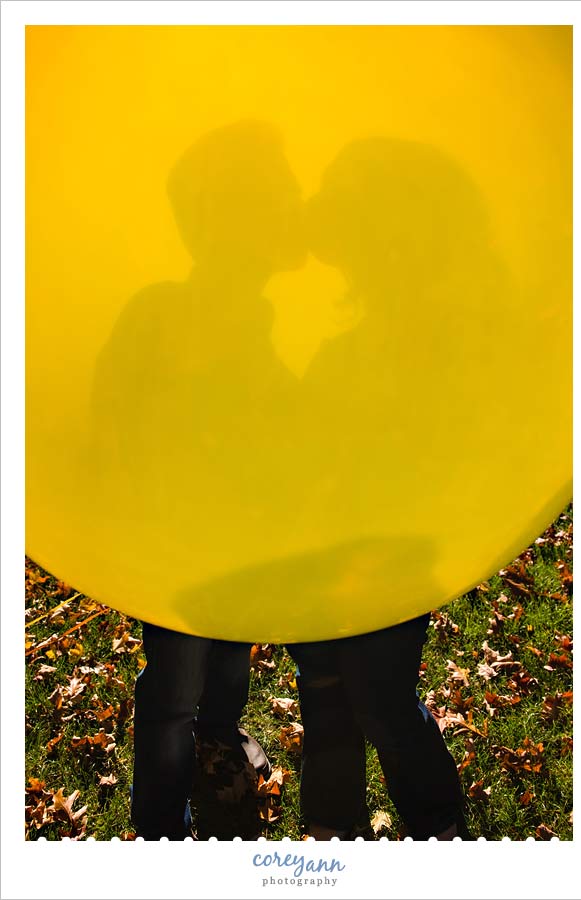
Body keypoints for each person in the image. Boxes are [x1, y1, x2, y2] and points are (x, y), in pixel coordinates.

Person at [91, 120, 306, 839]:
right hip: (175, 539)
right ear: (217, 226)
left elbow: (269, 427)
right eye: (269, 206)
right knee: (175, 686)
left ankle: (218, 742)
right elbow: (119, 413)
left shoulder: (259, 317)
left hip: (237, 535)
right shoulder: (165, 314)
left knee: (227, 660)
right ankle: (160, 824)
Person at [285, 138, 502, 840]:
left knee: (378, 698)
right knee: (323, 694)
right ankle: (330, 840)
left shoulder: (442, 337)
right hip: (317, 546)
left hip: (391, 552)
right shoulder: (346, 344)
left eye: (353, 233)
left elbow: (446, 449)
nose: (340, 251)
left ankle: (439, 831)